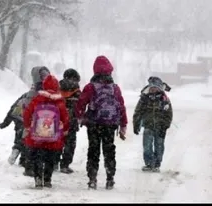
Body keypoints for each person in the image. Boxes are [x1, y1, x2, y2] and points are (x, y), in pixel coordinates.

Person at [75, 55, 128, 190]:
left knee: (93, 150)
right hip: (110, 124)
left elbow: (81, 103)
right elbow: (121, 106)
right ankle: (110, 178)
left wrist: (80, 117)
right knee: (109, 150)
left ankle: (92, 178)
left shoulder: (90, 87)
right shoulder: (115, 88)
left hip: (94, 123)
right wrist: (123, 124)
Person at [23, 75, 69, 189]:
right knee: (50, 158)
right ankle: (47, 179)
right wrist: (65, 130)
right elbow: (65, 117)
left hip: (37, 135)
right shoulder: (59, 101)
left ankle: (38, 178)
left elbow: (27, 113)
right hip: (53, 137)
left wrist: (28, 126)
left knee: (37, 157)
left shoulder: (37, 99)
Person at [133, 76, 173, 173]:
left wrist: (165, 125)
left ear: (159, 88)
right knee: (147, 146)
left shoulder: (164, 99)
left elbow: (169, 114)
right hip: (148, 126)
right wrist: (136, 124)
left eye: (155, 87)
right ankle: (149, 163)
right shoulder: (144, 99)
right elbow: (138, 112)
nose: (153, 89)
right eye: (151, 87)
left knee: (159, 146)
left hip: (160, 127)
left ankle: (156, 164)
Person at [20, 66, 51, 177]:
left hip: (34, 122)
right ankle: (43, 168)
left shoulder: (32, 92)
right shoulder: (49, 88)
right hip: (46, 122)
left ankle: (29, 166)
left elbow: (26, 108)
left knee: (31, 146)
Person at [54, 68, 81, 174]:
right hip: (71, 121)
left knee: (57, 141)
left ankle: (54, 162)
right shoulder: (77, 91)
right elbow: (80, 106)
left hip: (57, 120)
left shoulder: (57, 88)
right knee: (70, 143)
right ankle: (65, 164)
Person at [0, 92, 28, 167]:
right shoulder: (43, 97)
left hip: (20, 122)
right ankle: (24, 160)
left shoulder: (25, 96)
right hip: (33, 124)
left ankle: (16, 149)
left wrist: (5, 123)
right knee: (28, 142)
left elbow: (13, 109)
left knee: (19, 139)